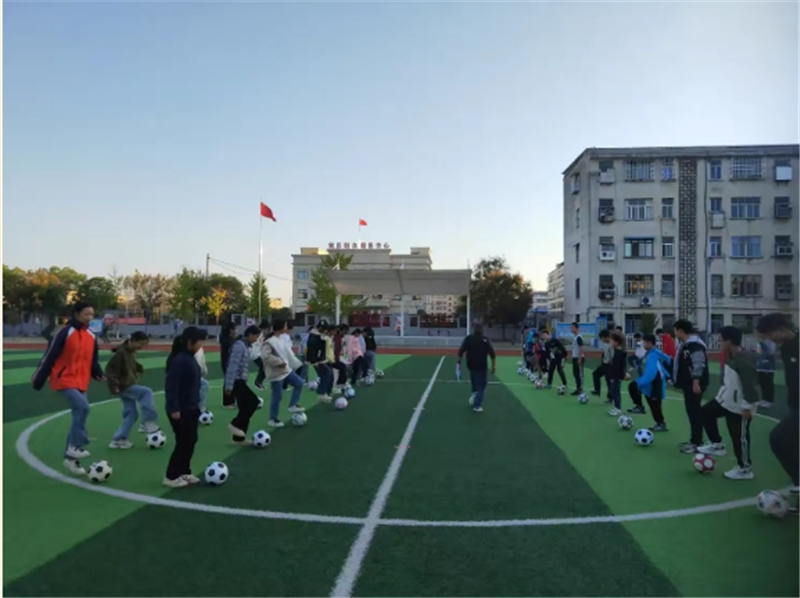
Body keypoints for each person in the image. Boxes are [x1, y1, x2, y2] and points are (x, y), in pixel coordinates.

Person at [31, 301, 105, 476]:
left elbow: (93, 359)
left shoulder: (91, 335)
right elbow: (50, 356)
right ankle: (76, 446)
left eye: (92, 314)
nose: (89, 317)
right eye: (86, 314)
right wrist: (38, 379)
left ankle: (70, 459)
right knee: (83, 408)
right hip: (63, 378)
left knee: (79, 414)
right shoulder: (65, 332)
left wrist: (98, 373)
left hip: (82, 381)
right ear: (77, 314)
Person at [696, 326, 758, 480]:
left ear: (729, 341)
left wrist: (747, 407)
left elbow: (750, 386)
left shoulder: (744, 359)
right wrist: (721, 396)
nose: (719, 341)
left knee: (739, 437)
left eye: (721, 339)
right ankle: (717, 444)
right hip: (725, 401)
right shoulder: (730, 356)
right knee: (705, 412)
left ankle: (745, 468)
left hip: (739, 406)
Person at [756, 313, 799, 513]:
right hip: (796, 405)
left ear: (782, 328)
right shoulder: (787, 347)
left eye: (770, 334)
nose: (770, 339)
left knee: (778, 438)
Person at [163, 326, 205, 488]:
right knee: (183, 442)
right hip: (181, 409)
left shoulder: (189, 358)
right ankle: (171, 476)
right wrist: (174, 408)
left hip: (191, 407)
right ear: (190, 342)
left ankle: (184, 471)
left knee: (191, 440)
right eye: (199, 341)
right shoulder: (180, 360)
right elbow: (171, 386)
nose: (201, 345)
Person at [105, 331, 159, 449]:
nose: (141, 347)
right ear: (133, 340)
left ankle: (119, 440)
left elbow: (131, 364)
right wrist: (114, 385)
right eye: (141, 344)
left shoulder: (130, 352)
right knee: (146, 392)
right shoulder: (121, 353)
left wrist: (139, 368)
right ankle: (147, 422)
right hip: (123, 385)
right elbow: (110, 370)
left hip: (126, 384)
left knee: (131, 414)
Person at [261, 319, 306, 428]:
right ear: (281, 327)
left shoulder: (281, 339)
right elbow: (265, 356)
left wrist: (292, 363)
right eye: (285, 325)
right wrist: (279, 362)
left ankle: (292, 405)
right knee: (277, 396)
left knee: (299, 383)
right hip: (276, 372)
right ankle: (272, 419)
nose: (287, 327)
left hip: (286, 370)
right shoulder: (270, 341)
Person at [674, 319, 709, 454]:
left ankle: (697, 442)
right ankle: (695, 439)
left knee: (694, 412)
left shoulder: (694, 345)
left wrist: (696, 381)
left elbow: (698, 363)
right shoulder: (686, 344)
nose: (675, 333)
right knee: (692, 411)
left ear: (680, 330)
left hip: (693, 384)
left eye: (676, 330)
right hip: (688, 384)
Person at [224, 325, 263, 443]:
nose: (256, 340)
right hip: (237, 381)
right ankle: (234, 424)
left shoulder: (246, 346)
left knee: (244, 407)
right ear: (249, 334)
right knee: (253, 402)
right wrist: (229, 385)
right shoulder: (239, 346)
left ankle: (239, 438)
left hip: (241, 380)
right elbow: (232, 365)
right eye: (255, 337)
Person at [627, 334, 669, 430]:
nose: (643, 344)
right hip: (650, 382)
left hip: (655, 383)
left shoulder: (653, 355)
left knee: (654, 403)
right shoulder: (650, 353)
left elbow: (651, 372)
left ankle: (661, 423)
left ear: (649, 343)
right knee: (633, 387)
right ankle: (640, 407)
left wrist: (641, 383)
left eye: (644, 342)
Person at [456, 323, 496, 413]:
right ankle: (477, 405)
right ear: (482, 330)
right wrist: (493, 366)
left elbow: (461, 351)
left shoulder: (469, 339)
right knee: (481, 385)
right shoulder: (485, 340)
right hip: (481, 365)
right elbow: (492, 354)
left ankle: (475, 392)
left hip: (471, 365)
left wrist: (458, 363)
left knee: (474, 379)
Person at [306, 321, 334, 403]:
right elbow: (311, 350)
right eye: (325, 329)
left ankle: (323, 393)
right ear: (321, 328)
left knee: (327, 374)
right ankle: (321, 393)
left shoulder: (317, 336)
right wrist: (314, 361)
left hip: (319, 360)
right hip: (316, 360)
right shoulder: (314, 337)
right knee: (327, 373)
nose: (325, 331)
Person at [219, 322, 238, 408]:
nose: (236, 331)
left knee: (232, 381)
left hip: (229, 362)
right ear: (231, 330)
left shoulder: (230, 339)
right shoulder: (227, 340)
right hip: (227, 362)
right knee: (228, 381)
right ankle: (227, 402)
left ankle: (232, 400)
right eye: (235, 329)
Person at [592, 328, 613, 400]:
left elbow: (612, 356)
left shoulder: (611, 345)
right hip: (604, 364)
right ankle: (597, 390)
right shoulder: (606, 344)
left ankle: (610, 397)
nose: (601, 340)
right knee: (595, 373)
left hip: (609, 365)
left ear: (606, 337)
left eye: (602, 338)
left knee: (609, 381)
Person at [756, 337, 777, 409]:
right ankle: (764, 399)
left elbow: (770, 352)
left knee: (768, 383)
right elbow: (758, 352)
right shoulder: (759, 342)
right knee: (762, 383)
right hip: (761, 366)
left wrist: (762, 343)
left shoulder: (771, 342)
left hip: (768, 366)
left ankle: (770, 401)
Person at [253, 319, 271, 389]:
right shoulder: (258, 333)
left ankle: (258, 382)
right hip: (255, 353)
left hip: (258, 353)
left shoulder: (262, 334)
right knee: (265, 367)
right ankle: (258, 382)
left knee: (264, 367)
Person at [569, 322, 585, 395]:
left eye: (572, 327)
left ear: (577, 328)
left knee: (579, 374)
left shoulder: (579, 337)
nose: (571, 329)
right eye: (571, 327)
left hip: (578, 357)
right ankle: (578, 388)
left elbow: (581, 347)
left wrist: (580, 358)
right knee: (575, 374)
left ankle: (580, 389)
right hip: (575, 357)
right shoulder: (575, 337)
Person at [332, 324, 348, 389]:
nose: (346, 333)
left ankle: (341, 383)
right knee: (341, 368)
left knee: (343, 367)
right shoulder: (337, 338)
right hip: (333, 358)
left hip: (336, 357)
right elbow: (336, 349)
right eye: (346, 331)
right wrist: (336, 358)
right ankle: (340, 384)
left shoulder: (339, 338)